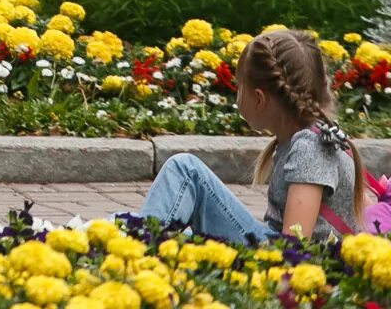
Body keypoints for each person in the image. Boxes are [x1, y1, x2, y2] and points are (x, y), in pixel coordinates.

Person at [137, 28, 368, 242]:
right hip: (276, 247)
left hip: (283, 261)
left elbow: (295, 246)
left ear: (259, 99)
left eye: (240, 88)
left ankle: (136, 252)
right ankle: (132, 239)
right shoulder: (315, 136)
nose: (237, 96)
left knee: (185, 169)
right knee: (139, 218)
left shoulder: (310, 148)